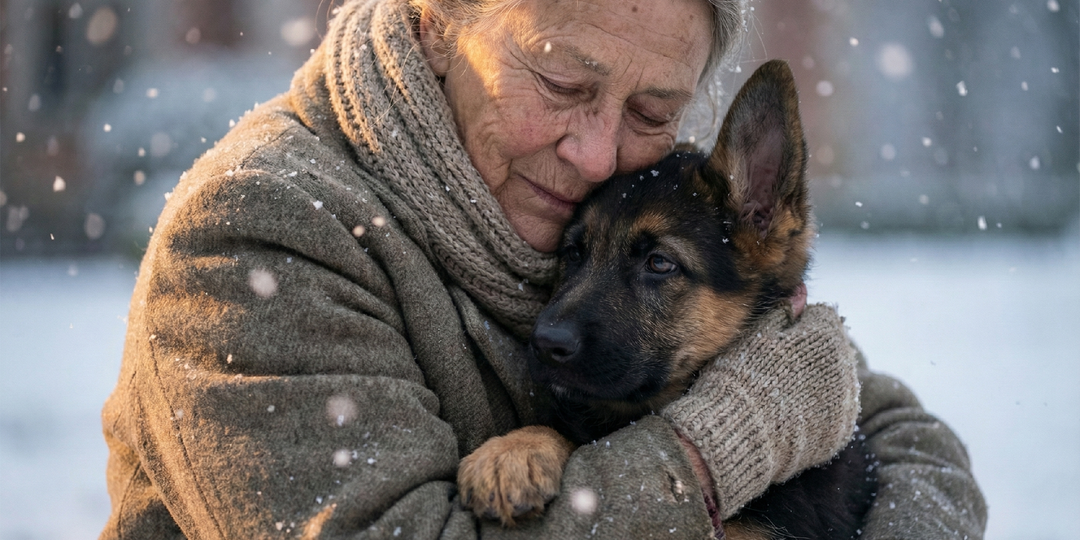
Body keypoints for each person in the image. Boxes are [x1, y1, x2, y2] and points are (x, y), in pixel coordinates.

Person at [99, 0, 987, 537]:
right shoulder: (257, 236)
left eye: (650, 106)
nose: (598, 151)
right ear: (436, 24)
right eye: (561, 85)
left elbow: (911, 444)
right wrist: (709, 455)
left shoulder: (615, 199)